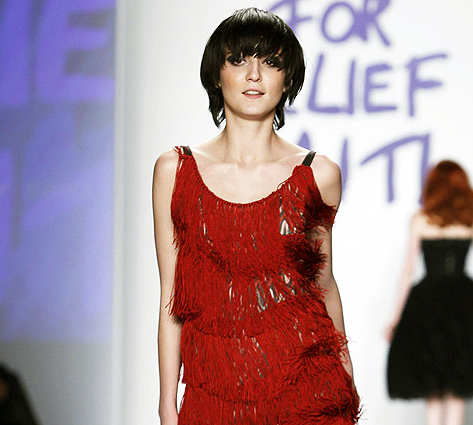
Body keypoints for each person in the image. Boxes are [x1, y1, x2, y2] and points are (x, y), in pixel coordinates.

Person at [152, 8, 360, 425]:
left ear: (288, 79)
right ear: (216, 74)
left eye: (271, 62)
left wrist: (347, 380)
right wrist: (166, 403)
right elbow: (172, 297)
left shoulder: (318, 174)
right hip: (214, 396)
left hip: (307, 390)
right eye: (238, 60)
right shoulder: (175, 172)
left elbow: (323, 285)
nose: (254, 74)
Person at [384, 160, 473, 425]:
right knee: (457, 389)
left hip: (427, 306)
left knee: (433, 391)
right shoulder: (472, 220)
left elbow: (407, 271)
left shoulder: (421, 220)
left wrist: (396, 318)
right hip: (465, 308)